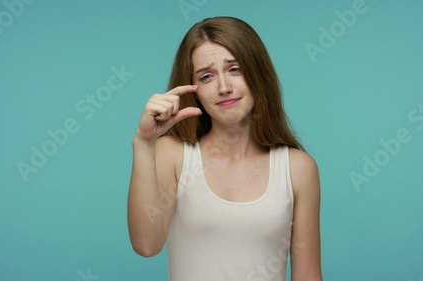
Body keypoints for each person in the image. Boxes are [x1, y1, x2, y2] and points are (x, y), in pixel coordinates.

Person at [127, 16, 323, 281]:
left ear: (258, 73)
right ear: (193, 90)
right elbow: (147, 245)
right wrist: (143, 144)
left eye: (235, 69)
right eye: (207, 76)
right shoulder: (173, 155)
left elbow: (308, 275)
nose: (224, 88)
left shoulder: (298, 168)